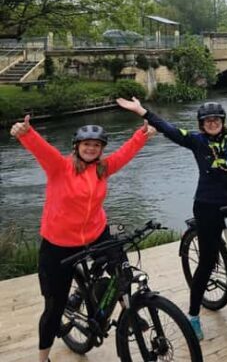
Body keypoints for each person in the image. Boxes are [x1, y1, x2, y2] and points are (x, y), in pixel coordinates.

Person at [116, 67, 227, 341]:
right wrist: (142, 111)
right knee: (206, 262)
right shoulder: (196, 141)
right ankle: (193, 315)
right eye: (208, 121)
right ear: (202, 124)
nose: (213, 123)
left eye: (216, 119)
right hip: (207, 205)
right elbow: (168, 129)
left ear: (222, 121)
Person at [10, 114, 156, 362]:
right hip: (58, 244)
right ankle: (42, 357)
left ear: (100, 150)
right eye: (86, 144)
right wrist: (25, 133)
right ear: (77, 147)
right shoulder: (60, 167)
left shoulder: (103, 168)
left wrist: (142, 135)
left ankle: (128, 313)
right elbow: (42, 150)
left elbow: (125, 154)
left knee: (122, 271)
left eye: (96, 145)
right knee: (54, 311)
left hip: (95, 234)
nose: (91, 148)